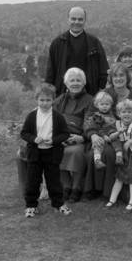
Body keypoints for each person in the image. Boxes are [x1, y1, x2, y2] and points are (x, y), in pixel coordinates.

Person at [84, 62, 132, 199]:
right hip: (102, 134)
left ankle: (108, 192)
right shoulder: (103, 95)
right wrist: (92, 135)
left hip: (128, 138)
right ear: (111, 78)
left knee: (110, 153)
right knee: (96, 151)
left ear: (127, 77)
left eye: (122, 75)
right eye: (115, 76)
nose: (118, 78)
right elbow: (89, 117)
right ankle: (93, 189)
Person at [20, 83, 72, 217]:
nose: (44, 103)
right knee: (32, 181)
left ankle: (58, 204)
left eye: (48, 100)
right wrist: (33, 138)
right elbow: (24, 133)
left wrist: (54, 140)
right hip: (35, 154)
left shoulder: (58, 117)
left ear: (53, 100)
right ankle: (31, 205)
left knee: (54, 181)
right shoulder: (31, 116)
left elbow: (65, 134)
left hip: (52, 154)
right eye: (41, 100)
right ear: (37, 100)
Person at [45, 6, 109, 96]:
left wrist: (101, 91)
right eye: (73, 19)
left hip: (90, 94)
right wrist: (49, 94)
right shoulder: (57, 43)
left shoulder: (94, 43)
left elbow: (103, 70)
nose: (76, 22)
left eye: (80, 19)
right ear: (68, 20)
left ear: (85, 21)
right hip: (62, 95)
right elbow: (50, 73)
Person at [53, 67, 93, 203]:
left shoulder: (90, 100)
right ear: (66, 83)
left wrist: (82, 137)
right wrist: (58, 138)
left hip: (81, 138)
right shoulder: (59, 101)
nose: (75, 83)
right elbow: (52, 120)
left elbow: (90, 122)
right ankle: (66, 185)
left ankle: (76, 187)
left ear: (84, 83)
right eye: (72, 80)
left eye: (78, 80)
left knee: (76, 152)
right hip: (60, 138)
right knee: (53, 151)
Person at [83, 91, 123, 170]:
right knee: (98, 144)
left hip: (113, 134)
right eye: (102, 104)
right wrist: (103, 136)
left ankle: (119, 156)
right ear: (97, 105)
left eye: (107, 104)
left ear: (111, 105)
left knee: (117, 142)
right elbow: (96, 127)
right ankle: (97, 160)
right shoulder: (97, 116)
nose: (104, 106)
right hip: (101, 134)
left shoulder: (113, 115)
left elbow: (118, 123)